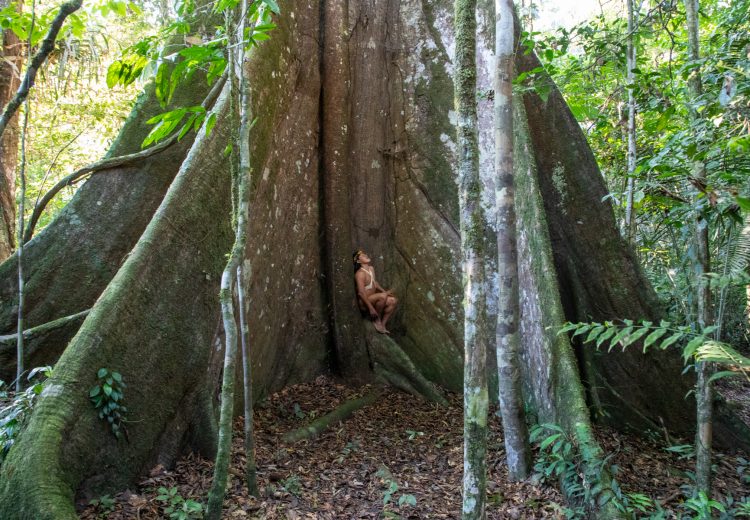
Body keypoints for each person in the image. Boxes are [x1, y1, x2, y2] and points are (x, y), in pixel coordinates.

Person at [353, 249, 398, 334]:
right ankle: (376, 320)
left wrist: (384, 291)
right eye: (362, 256)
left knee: (393, 300)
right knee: (383, 296)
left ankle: (383, 324)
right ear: (358, 261)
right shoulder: (360, 274)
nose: (366, 255)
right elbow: (361, 293)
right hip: (364, 303)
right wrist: (371, 309)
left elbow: (375, 284)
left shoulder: (371, 269)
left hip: (374, 299)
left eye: (365, 254)